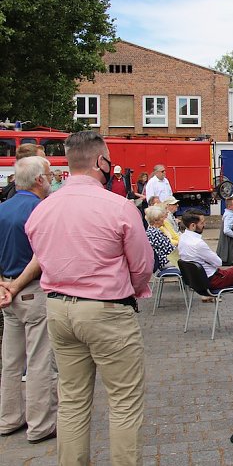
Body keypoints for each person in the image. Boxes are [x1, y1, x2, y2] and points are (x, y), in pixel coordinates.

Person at [24, 130, 152, 465]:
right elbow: (141, 265)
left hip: (58, 308)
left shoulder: (42, 209)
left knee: (72, 401)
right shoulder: (119, 207)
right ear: (101, 161)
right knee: (124, 402)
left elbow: (41, 256)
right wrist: (135, 289)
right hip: (107, 311)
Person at [0, 156, 58, 444]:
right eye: (49, 174)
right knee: (38, 361)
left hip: (7, 292)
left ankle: (8, 419)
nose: (52, 178)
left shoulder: (3, 208)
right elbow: (41, 256)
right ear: (39, 180)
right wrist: (17, 285)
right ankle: (40, 424)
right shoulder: (41, 210)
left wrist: (5, 286)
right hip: (32, 291)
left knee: (10, 362)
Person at [145, 207, 178, 272]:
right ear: (155, 220)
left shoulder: (151, 230)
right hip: (166, 262)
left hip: (165, 260)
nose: (164, 219)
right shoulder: (155, 233)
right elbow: (170, 250)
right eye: (162, 218)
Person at [216, 197, 233, 265]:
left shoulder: (231, 213)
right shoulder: (229, 215)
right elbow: (226, 230)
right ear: (229, 206)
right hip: (228, 239)